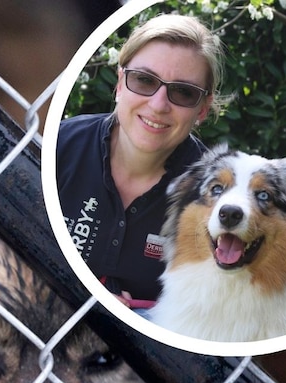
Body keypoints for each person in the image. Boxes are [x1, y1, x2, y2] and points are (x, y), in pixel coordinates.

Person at [56, 13, 229, 308]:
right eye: (144, 80)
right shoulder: (60, 145)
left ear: (202, 109)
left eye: (183, 92)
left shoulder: (216, 194)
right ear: (120, 83)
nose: (159, 105)